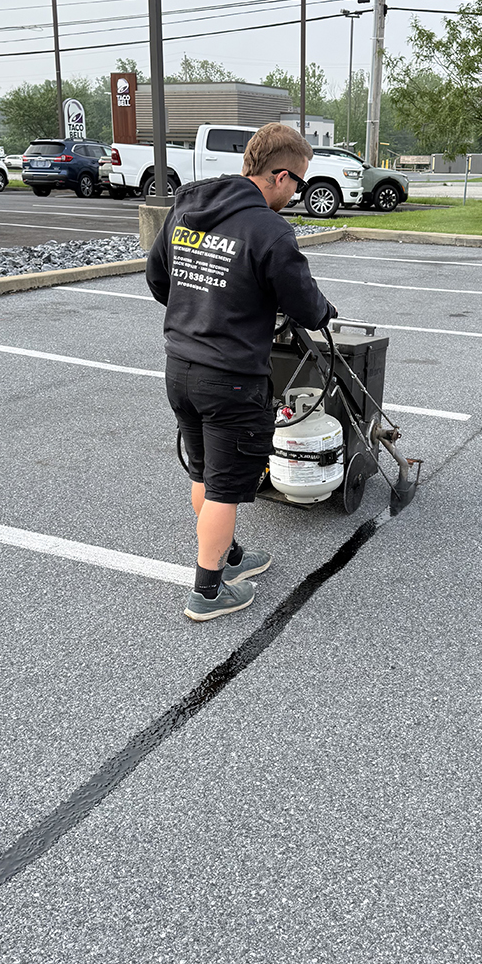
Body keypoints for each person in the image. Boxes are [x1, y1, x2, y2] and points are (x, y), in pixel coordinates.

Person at [146, 122, 336, 622]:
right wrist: (323, 312)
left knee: (205, 472)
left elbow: (159, 278)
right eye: (298, 182)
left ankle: (228, 556)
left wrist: (201, 312)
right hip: (231, 378)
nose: (296, 193)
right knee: (226, 488)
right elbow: (303, 302)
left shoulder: (188, 204)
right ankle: (208, 591)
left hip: (180, 366)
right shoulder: (269, 229)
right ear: (279, 175)